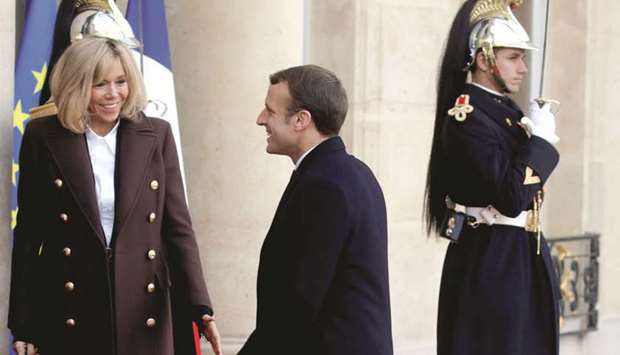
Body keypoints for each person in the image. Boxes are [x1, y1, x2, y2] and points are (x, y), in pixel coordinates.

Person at [8, 37, 221, 355]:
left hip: (143, 307)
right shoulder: (43, 137)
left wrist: (200, 306)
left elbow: (177, 229)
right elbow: (29, 235)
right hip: (70, 303)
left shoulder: (156, 134)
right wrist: (23, 324)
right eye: (100, 84)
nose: (113, 94)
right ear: (76, 86)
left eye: (121, 81)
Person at [424, 0, 561, 354]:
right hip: (491, 261)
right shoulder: (467, 117)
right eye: (513, 57)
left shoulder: (502, 111)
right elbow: (511, 195)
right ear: (484, 59)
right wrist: (542, 143)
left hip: (515, 255)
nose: (523, 68)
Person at [238, 65, 393, 355]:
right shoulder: (352, 172)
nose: (261, 120)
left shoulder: (323, 185)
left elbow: (299, 303)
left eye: (269, 111)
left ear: (301, 120)